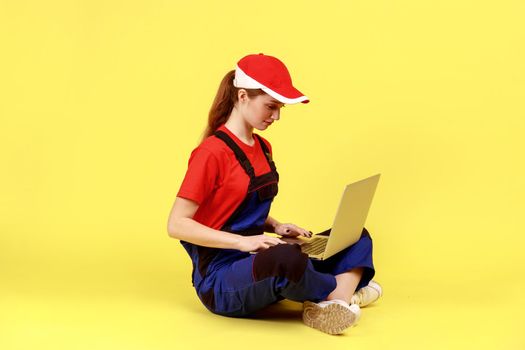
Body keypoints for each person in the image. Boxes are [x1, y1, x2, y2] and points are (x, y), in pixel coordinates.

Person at [167, 53, 382, 335]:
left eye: (280, 108)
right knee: (285, 259)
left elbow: (237, 204)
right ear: (242, 96)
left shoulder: (263, 146)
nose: (277, 116)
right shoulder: (211, 153)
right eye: (271, 106)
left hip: (260, 254)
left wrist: (277, 226)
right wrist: (243, 244)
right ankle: (342, 294)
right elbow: (176, 224)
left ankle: (335, 298)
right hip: (222, 278)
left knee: (354, 235)